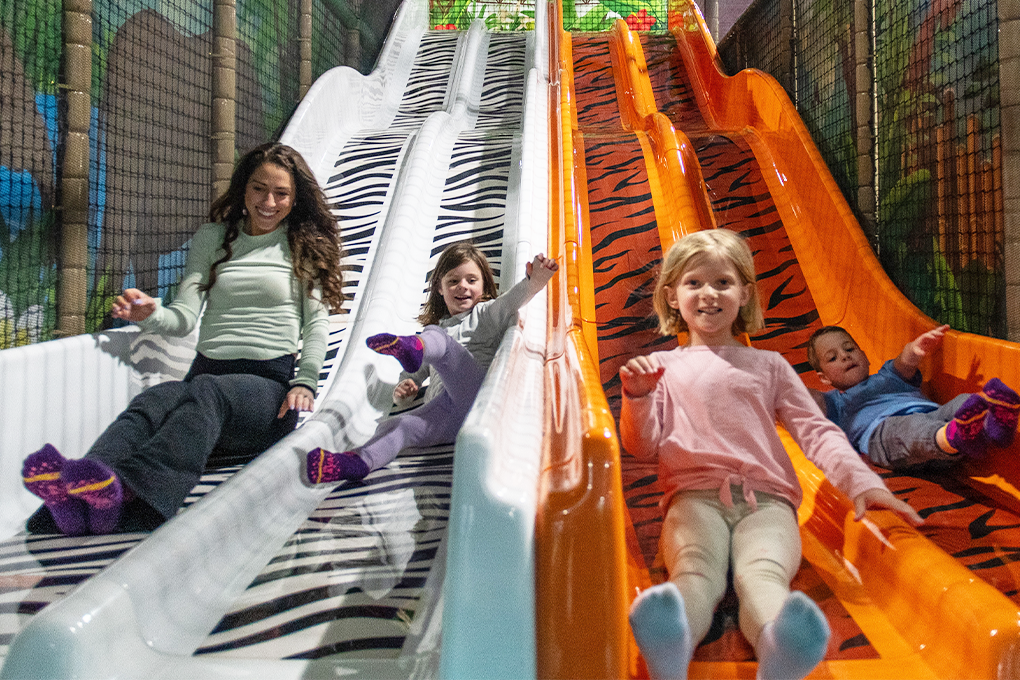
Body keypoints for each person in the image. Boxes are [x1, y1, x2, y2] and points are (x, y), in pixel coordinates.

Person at [618, 229, 923, 680]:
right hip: (692, 497)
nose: (709, 294)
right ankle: (672, 639)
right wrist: (638, 397)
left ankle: (780, 646)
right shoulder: (664, 368)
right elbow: (640, 447)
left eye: (722, 282)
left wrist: (863, 484)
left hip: (768, 501)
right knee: (695, 568)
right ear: (671, 295)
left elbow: (816, 432)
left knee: (762, 573)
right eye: (694, 283)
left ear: (744, 293)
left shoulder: (769, 365)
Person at [21, 142, 345, 535]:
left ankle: (134, 498)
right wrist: (151, 314)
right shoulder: (213, 237)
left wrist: (305, 380)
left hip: (267, 394)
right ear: (244, 188)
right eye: (259, 188)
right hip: (206, 384)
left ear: (295, 200)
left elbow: (317, 325)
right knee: (156, 398)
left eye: (281, 193)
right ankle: (80, 491)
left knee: (206, 391)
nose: (269, 201)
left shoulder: (303, 245)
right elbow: (184, 317)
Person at [305, 242, 558, 484]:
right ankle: (356, 463)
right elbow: (408, 383)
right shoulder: (435, 331)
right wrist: (404, 389)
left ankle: (412, 347)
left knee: (438, 340)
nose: (463, 287)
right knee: (399, 425)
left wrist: (536, 279)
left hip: (481, 399)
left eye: (472, 280)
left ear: (483, 285)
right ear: (439, 288)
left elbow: (513, 300)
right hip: (448, 417)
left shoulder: (486, 314)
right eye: (453, 281)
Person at [806, 324, 1020, 469]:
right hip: (884, 436)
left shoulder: (887, 376)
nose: (844, 356)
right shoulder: (837, 403)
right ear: (823, 378)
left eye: (849, 349)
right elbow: (808, 399)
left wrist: (916, 348)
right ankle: (956, 436)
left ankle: (995, 427)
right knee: (908, 428)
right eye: (833, 358)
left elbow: (905, 362)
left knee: (964, 401)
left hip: (933, 413)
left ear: (864, 355)